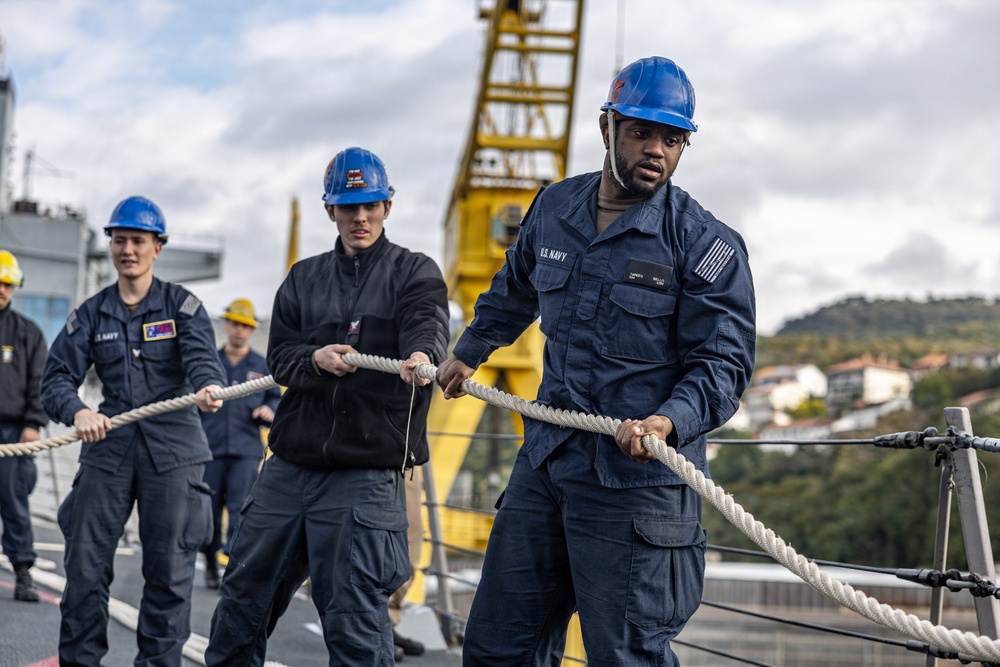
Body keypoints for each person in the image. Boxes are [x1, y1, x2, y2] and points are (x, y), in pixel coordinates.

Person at [436, 56, 757, 665]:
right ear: (606, 126)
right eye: (641, 132)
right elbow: (516, 284)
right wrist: (470, 350)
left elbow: (723, 363)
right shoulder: (555, 207)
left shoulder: (704, 244)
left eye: (672, 139)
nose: (656, 149)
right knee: (498, 647)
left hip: (637, 484)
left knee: (624, 656)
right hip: (547, 463)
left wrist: (668, 421)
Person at [206, 147, 450, 666]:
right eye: (348, 207)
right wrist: (314, 359)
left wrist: (422, 355)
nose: (360, 217)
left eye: (370, 206)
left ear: (387, 207)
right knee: (241, 599)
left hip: (366, 474)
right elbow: (280, 357)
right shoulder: (303, 277)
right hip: (289, 468)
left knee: (354, 619)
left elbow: (428, 324)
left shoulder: (415, 272)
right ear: (330, 211)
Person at [41, 195, 226, 667]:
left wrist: (208, 386)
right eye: (119, 240)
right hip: (109, 445)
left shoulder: (183, 306)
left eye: (138, 241)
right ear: (110, 246)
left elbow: (203, 359)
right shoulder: (92, 313)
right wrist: (78, 411)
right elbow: (56, 377)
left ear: (157, 247)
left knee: (168, 574)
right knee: (83, 567)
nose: (128, 250)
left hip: (176, 451)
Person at [199, 297, 281, 589]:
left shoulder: (262, 365)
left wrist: (269, 410)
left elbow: (275, 399)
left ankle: (233, 571)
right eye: (235, 324)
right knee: (208, 512)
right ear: (227, 325)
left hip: (245, 452)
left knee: (240, 513)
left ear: (251, 329)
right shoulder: (209, 362)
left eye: (245, 326)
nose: (239, 330)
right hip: (209, 449)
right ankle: (210, 561)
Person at [0, 249, 48, 603]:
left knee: (14, 504)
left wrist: (33, 423)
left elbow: (40, 382)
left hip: (13, 434)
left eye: (7, 284)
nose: (1, 290)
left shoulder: (27, 333)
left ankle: (23, 572)